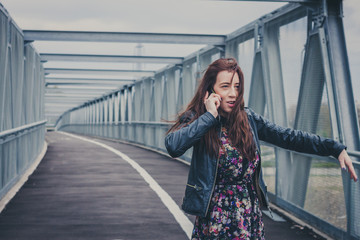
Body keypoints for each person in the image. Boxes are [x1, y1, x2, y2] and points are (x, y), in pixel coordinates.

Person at [165, 58, 358, 239]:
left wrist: (334, 148)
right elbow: (174, 146)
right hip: (215, 217)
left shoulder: (248, 119)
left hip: (249, 215)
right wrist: (209, 117)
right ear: (210, 91)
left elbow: (289, 137)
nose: (233, 93)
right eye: (225, 87)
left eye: (237, 87)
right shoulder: (199, 119)